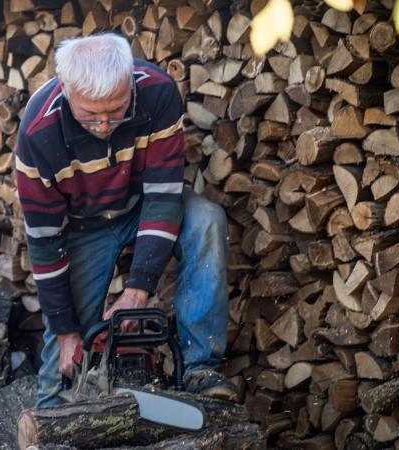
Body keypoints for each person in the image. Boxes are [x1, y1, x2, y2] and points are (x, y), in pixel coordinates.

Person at [14, 33, 238, 408]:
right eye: (90, 114)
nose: (104, 124)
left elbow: (164, 195)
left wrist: (137, 290)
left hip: (143, 203)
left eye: (116, 110)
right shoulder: (38, 132)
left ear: (130, 82)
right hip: (82, 227)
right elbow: (44, 241)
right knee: (61, 370)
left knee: (207, 220)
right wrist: (68, 332)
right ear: (66, 91)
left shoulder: (158, 94)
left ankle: (201, 369)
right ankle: (53, 416)